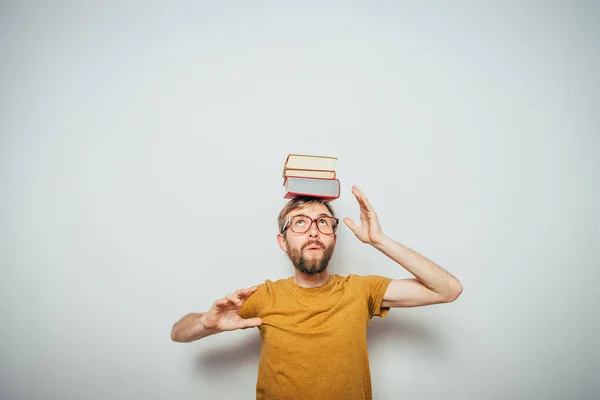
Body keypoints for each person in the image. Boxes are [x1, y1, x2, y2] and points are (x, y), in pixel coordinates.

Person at [171, 185, 463, 399]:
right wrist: (206, 323)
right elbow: (177, 332)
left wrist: (379, 241)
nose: (313, 231)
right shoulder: (265, 296)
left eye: (323, 222)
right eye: (300, 223)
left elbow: (448, 290)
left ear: (334, 237)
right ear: (283, 242)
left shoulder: (361, 290)